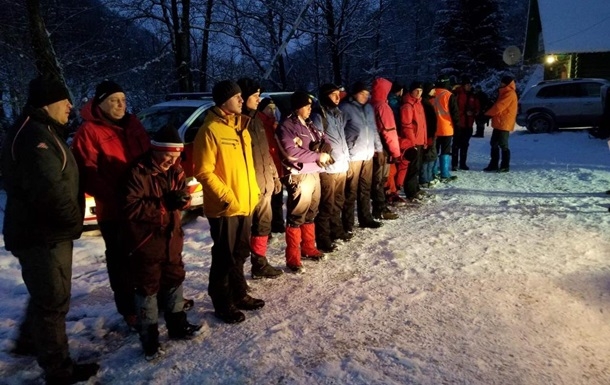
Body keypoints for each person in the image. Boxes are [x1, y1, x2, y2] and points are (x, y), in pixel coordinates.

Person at [2, 75, 99, 384]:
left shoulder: (41, 130)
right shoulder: (34, 137)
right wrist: (73, 221)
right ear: (48, 102)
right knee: (53, 301)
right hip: (42, 234)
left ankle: (29, 342)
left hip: (43, 232)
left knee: (45, 293)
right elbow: (49, 191)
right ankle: (58, 369)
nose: (71, 105)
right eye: (65, 100)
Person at [71, 80, 151, 329]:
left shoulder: (133, 124)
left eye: (124, 100)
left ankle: (152, 300)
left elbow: (148, 158)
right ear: (100, 103)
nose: (120, 105)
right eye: (114, 100)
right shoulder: (89, 131)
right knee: (121, 262)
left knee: (148, 255)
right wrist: (119, 198)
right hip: (115, 210)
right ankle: (129, 309)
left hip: (143, 204)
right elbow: (88, 173)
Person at [123, 124, 202, 361]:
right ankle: (150, 337)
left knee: (174, 277)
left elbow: (180, 198)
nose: (171, 160)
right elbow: (131, 207)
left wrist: (182, 200)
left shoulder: (176, 170)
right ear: (156, 151)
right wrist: (165, 205)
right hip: (146, 239)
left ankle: (177, 324)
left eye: (175, 156)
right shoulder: (138, 171)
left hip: (171, 235)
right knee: (147, 286)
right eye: (167, 155)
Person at [193, 80, 264, 324]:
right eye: (237, 97)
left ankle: (239, 292)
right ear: (224, 101)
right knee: (224, 256)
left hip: (244, 203)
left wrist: (253, 192)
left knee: (240, 252)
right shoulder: (210, 130)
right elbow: (204, 171)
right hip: (225, 207)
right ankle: (221, 301)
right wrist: (228, 196)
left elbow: (246, 167)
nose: (242, 100)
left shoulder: (241, 128)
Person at [276, 91, 329, 273]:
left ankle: (308, 248)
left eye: (309, 105)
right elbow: (291, 153)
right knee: (297, 215)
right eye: (306, 106)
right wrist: (317, 155)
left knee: (311, 212)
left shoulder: (310, 124)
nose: (309, 109)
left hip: (314, 173)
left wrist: (325, 146)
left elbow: (323, 138)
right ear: (297, 106)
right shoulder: (288, 126)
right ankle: (293, 258)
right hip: (300, 175)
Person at [237, 78, 283, 279]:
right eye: (255, 96)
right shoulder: (238, 121)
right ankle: (236, 273)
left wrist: (274, 175)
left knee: (263, 225)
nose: (258, 100)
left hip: (264, 182)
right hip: (248, 187)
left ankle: (260, 263)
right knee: (242, 233)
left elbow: (266, 151)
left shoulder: (257, 120)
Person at [311, 83, 351, 252]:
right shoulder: (319, 115)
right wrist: (327, 157)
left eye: (338, 94)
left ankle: (336, 230)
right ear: (325, 96)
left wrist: (346, 160)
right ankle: (323, 238)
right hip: (328, 168)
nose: (337, 97)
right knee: (327, 204)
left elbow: (342, 138)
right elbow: (318, 140)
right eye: (333, 94)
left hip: (341, 165)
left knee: (339, 201)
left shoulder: (338, 114)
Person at [339, 82, 383, 231]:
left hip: (368, 154)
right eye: (362, 93)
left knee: (365, 188)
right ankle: (348, 222)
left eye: (367, 94)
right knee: (351, 190)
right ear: (354, 93)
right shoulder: (345, 108)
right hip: (353, 156)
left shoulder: (369, 108)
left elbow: (373, 129)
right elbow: (340, 131)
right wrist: (345, 151)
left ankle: (366, 218)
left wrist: (379, 148)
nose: (365, 97)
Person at [369, 78, 400, 220]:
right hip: (383, 147)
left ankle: (378, 206)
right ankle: (380, 208)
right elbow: (389, 131)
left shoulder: (370, 105)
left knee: (376, 179)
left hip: (372, 147)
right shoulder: (383, 107)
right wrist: (395, 151)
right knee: (380, 179)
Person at [259, 98, 286, 233]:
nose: (272, 111)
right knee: (268, 199)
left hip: (276, 165)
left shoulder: (274, 125)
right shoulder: (261, 125)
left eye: (274, 108)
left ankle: (278, 223)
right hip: (267, 166)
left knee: (278, 196)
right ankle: (267, 228)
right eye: (269, 108)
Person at [483, 75, 518, 173]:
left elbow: (499, 106)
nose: (500, 84)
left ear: (506, 83)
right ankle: (494, 164)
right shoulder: (504, 92)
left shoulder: (509, 93)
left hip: (504, 123)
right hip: (500, 122)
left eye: (502, 82)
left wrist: (488, 114)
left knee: (503, 144)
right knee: (494, 143)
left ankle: (505, 165)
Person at [400, 81, 428, 201]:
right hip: (413, 142)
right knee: (412, 167)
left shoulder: (419, 104)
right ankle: (411, 191)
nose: (418, 93)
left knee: (417, 166)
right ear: (411, 91)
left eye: (420, 91)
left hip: (420, 140)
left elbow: (423, 125)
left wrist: (425, 140)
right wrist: (412, 143)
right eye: (416, 90)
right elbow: (407, 125)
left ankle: (415, 188)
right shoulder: (408, 105)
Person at [432, 75, 459, 182]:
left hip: (434, 128)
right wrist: (457, 127)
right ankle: (444, 173)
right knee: (445, 151)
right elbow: (455, 114)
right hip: (446, 128)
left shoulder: (432, 93)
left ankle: (433, 172)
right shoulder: (449, 95)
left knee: (434, 150)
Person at [452, 76, 480, 170]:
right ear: (463, 85)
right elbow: (453, 109)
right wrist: (464, 112)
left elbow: (477, 107)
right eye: (467, 84)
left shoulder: (473, 95)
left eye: (470, 84)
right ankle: (454, 163)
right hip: (459, 123)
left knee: (465, 144)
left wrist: (475, 112)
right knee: (456, 144)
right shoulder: (457, 94)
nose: (469, 86)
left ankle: (462, 163)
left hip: (469, 124)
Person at [419, 82, 438, 188]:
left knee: (430, 156)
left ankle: (428, 177)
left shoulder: (426, 102)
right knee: (428, 156)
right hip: (428, 134)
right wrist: (430, 135)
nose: (434, 91)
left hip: (430, 133)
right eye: (433, 89)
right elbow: (428, 121)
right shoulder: (425, 103)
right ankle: (425, 178)